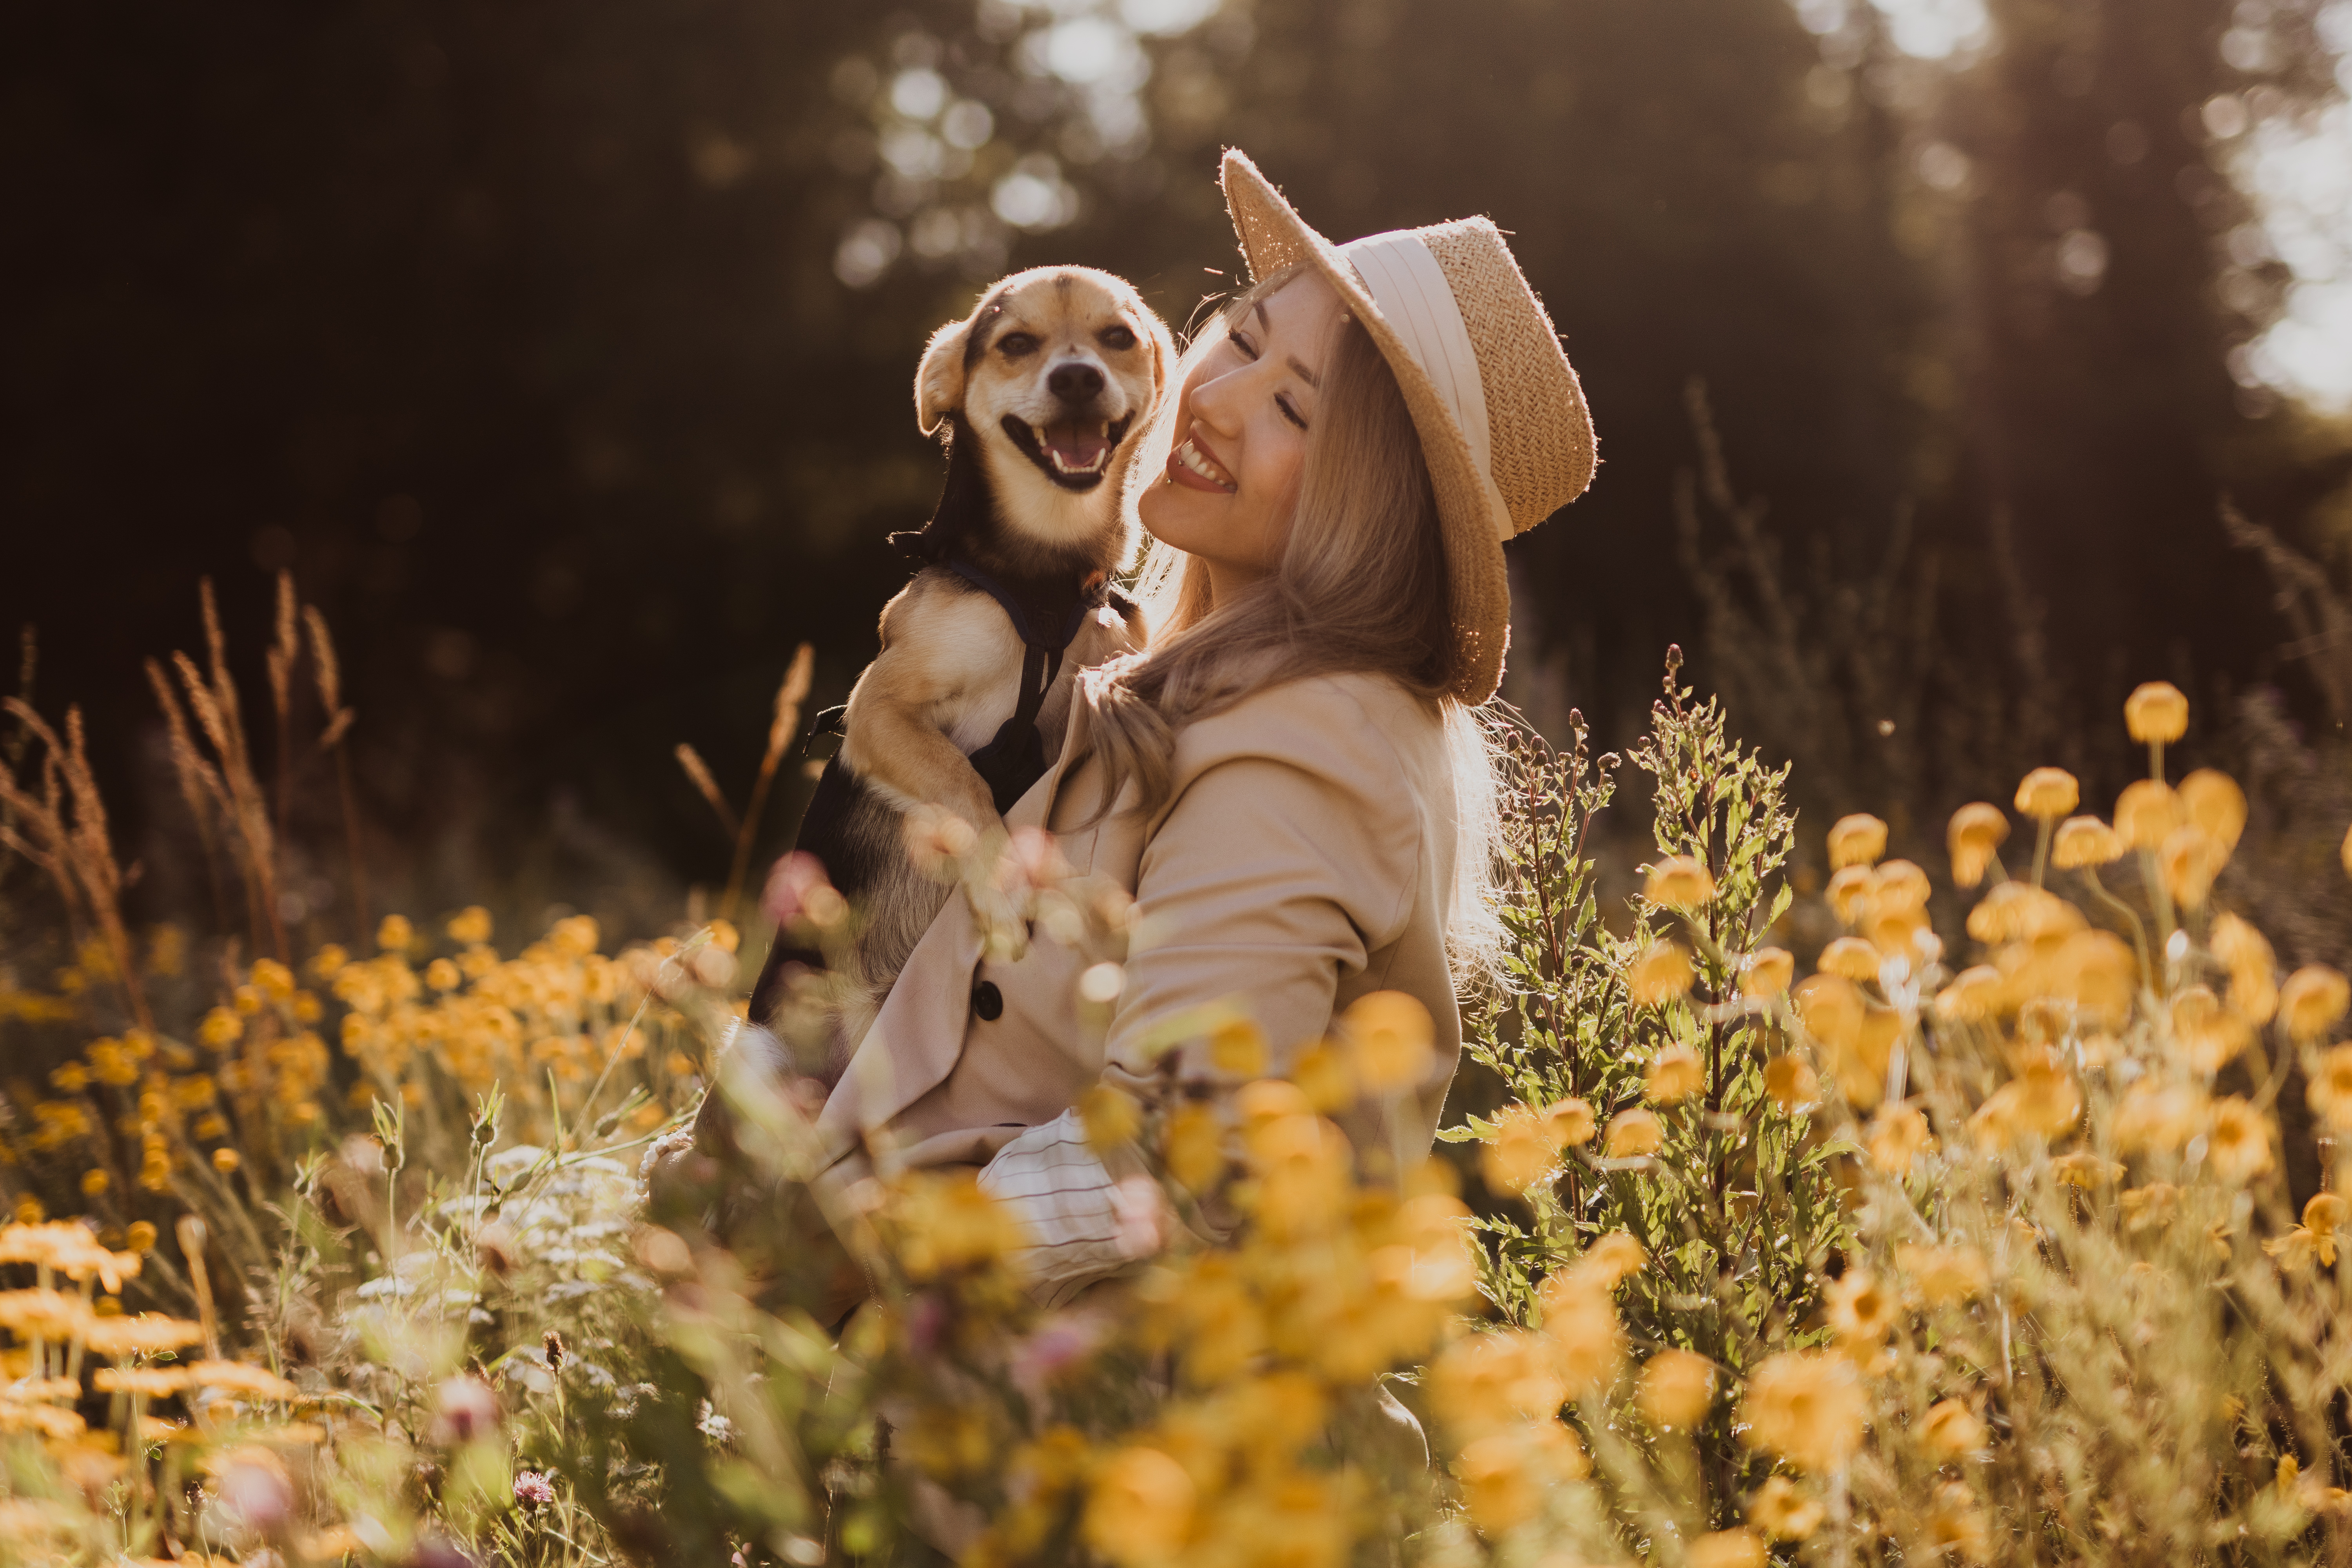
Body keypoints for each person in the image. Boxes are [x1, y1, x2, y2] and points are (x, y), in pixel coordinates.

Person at [803, 147, 1597, 1307]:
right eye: (1239, 336)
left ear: (1364, 511)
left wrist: (841, 1276)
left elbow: (1183, 1149)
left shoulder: (1313, 738)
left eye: (1290, 405)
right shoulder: (1135, 668)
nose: (1212, 400)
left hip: (1112, 1445)